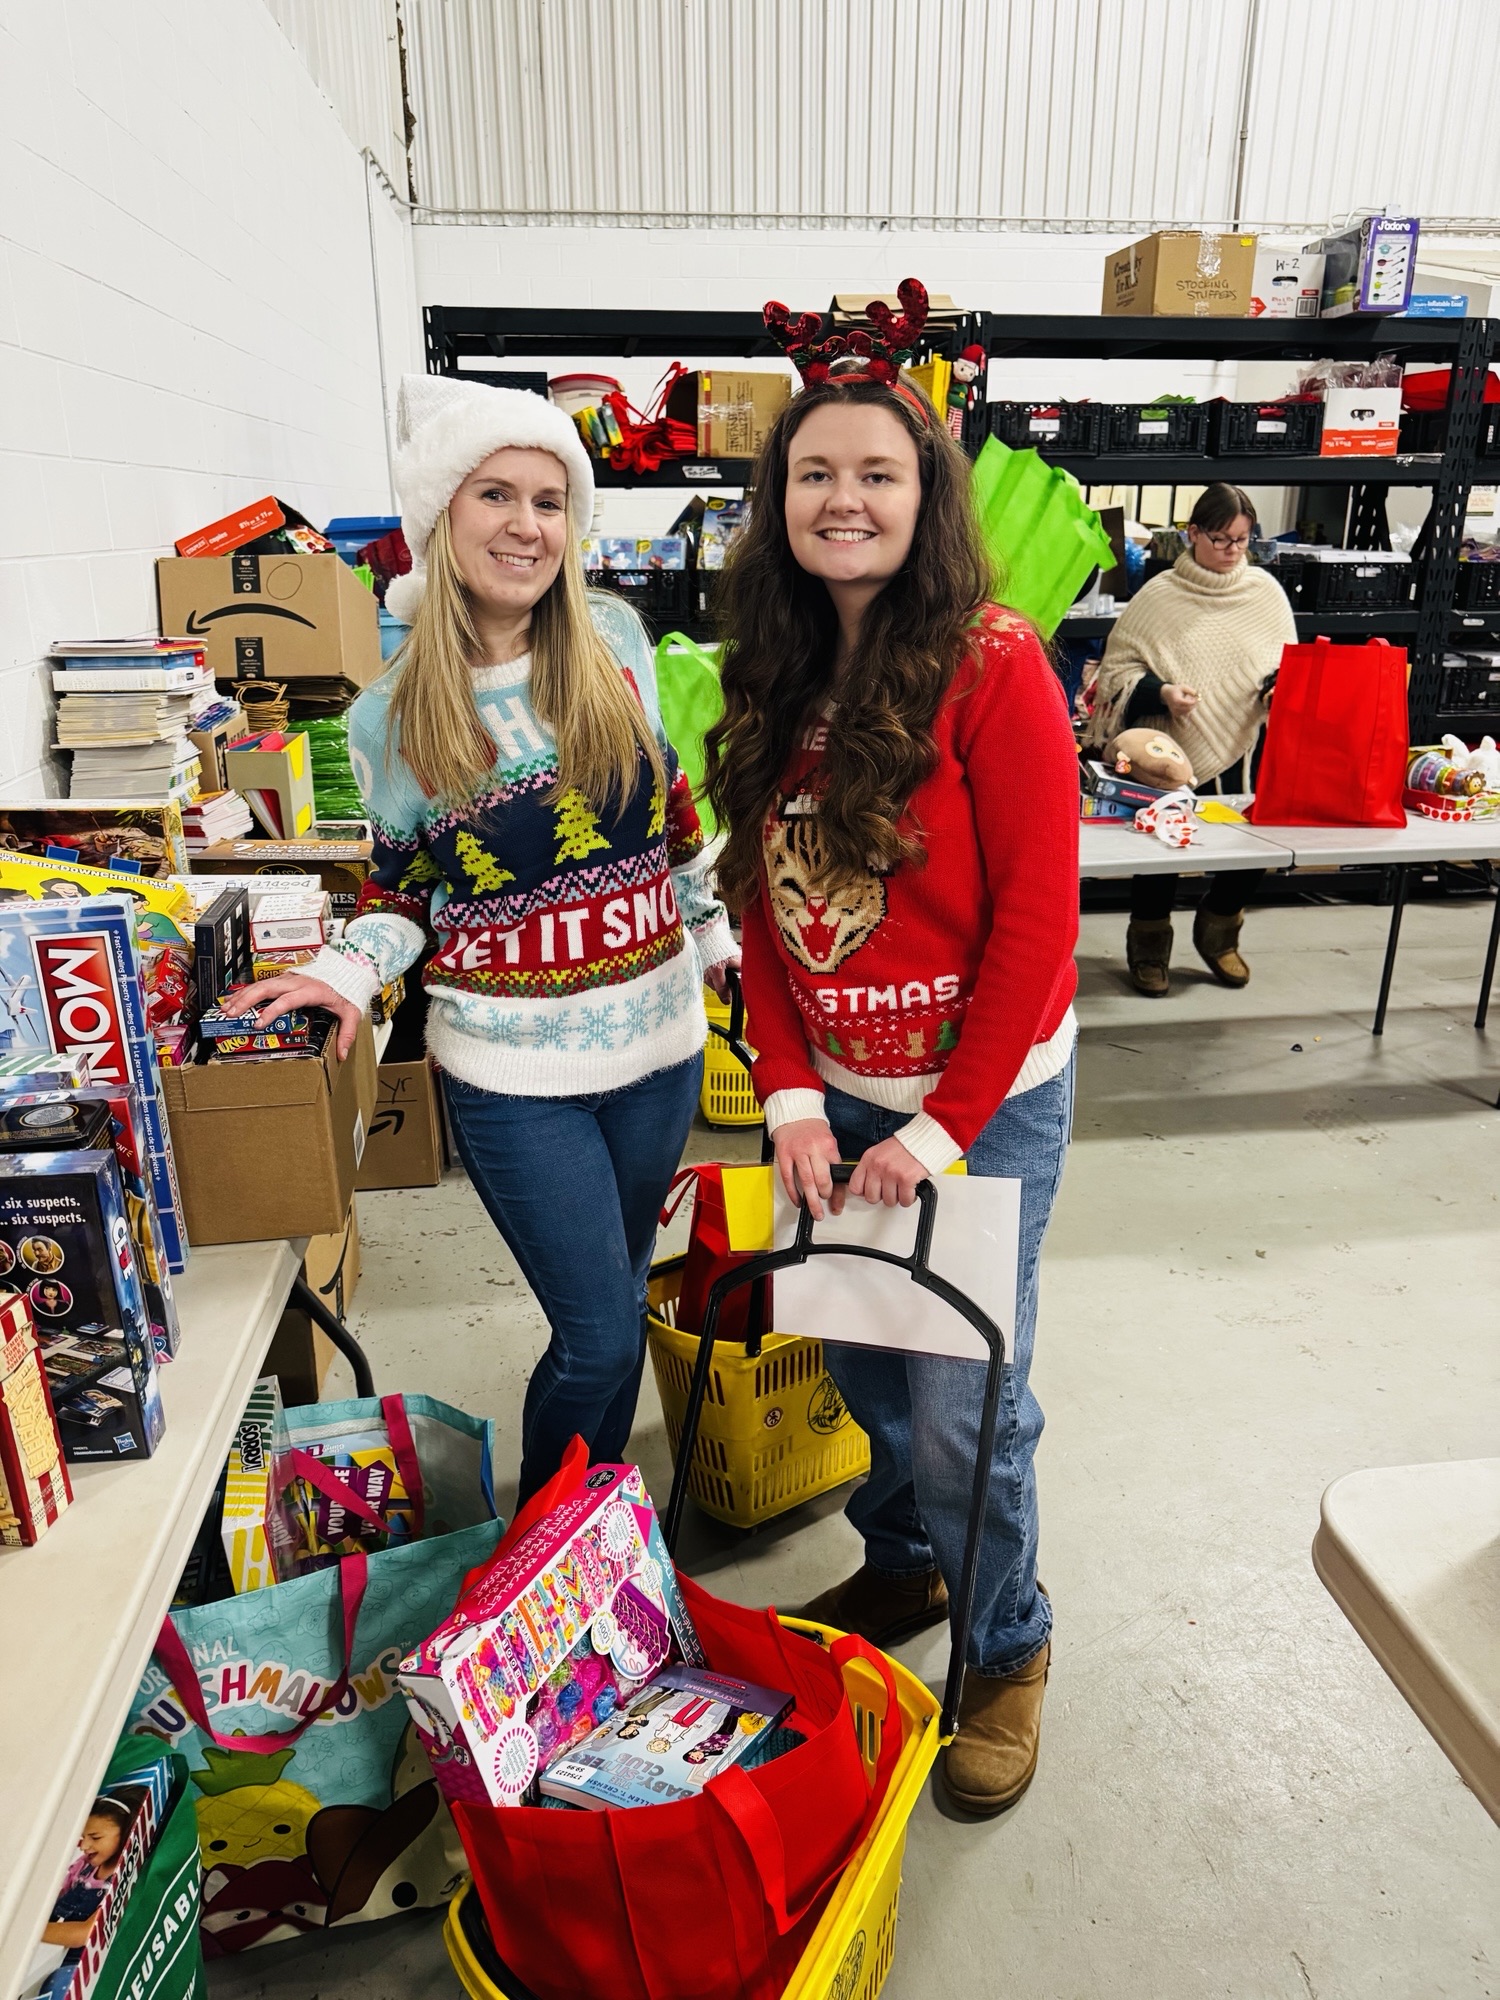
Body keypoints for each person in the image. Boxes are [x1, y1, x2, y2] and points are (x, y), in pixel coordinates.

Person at [705, 285, 1079, 1816]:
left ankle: (1005, 1647)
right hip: (838, 1094)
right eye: (814, 473)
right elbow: (767, 905)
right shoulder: (775, 664)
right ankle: (909, 1564)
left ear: (925, 499)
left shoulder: (993, 666)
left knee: (965, 1401)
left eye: (877, 472)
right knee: (863, 1355)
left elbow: (1037, 928)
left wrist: (938, 1130)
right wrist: (791, 1090)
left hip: (979, 1106)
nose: (842, 497)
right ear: (778, 500)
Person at [237, 376, 736, 1505]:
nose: (527, 524)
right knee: (601, 1337)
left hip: (659, 1047)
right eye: (497, 495)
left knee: (612, 1295)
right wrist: (343, 969)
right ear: (440, 519)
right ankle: (546, 1541)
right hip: (516, 1075)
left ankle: (595, 1531)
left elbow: (670, 815)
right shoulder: (392, 711)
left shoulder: (613, 638)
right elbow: (404, 885)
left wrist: (715, 940)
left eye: (551, 500)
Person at [1084, 482, 1297, 996]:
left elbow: (1287, 665)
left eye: (1242, 541)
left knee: (1250, 845)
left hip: (1245, 745)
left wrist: (1277, 689)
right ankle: (1149, 948)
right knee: (1160, 850)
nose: (1230, 552)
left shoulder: (1265, 593)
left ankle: (1220, 933)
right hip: (1168, 746)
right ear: (1193, 533)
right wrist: (1161, 693)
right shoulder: (1160, 595)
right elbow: (1116, 673)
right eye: (1220, 538)